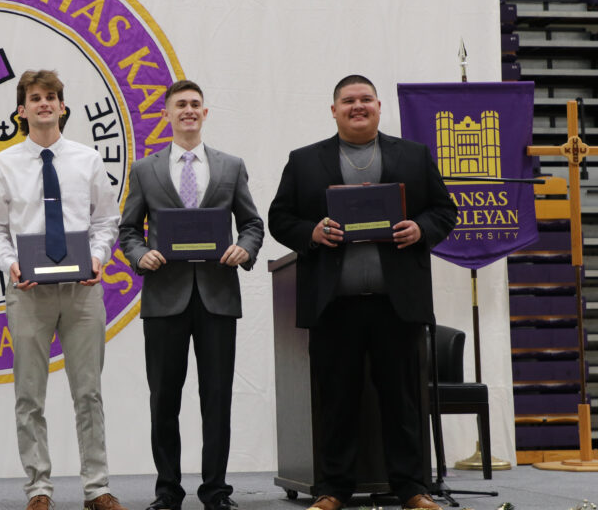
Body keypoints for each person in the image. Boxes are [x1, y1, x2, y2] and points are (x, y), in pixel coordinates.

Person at [267, 75, 456, 510]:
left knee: (403, 401)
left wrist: (421, 228)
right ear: (333, 110)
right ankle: (332, 489)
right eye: (348, 100)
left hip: (397, 304)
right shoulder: (304, 161)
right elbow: (280, 218)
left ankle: (412, 489)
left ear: (379, 107)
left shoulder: (413, 155)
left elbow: (445, 211)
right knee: (336, 402)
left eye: (365, 99)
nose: (357, 106)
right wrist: (311, 232)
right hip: (334, 306)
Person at [0, 70, 125, 510]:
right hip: (28, 292)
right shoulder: (3, 164)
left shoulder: (88, 159)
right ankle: (38, 487)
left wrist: (98, 257)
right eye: (35, 98)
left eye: (52, 97)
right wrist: (10, 263)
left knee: (89, 393)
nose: (44, 104)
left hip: (82, 292)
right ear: (21, 110)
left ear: (63, 106)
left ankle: (97, 487)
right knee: (28, 394)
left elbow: (106, 221)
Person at [118, 80, 264, 510]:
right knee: (164, 399)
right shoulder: (145, 170)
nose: (188, 111)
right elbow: (128, 230)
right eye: (180, 105)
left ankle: (216, 491)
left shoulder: (231, 166)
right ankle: (168, 492)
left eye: (195, 105)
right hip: (165, 298)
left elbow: (252, 224)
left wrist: (246, 247)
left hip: (218, 296)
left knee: (216, 398)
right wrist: (139, 255)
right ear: (166, 114)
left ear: (205, 114)